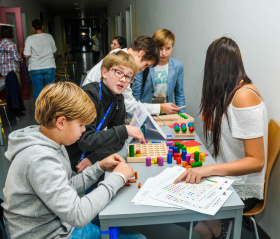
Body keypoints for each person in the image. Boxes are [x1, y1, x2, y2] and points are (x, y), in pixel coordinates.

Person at [2, 81, 146, 239]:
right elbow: (78, 215)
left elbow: (66, 186)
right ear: (61, 122)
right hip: (51, 234)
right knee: (138, 237)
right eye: (81, 124)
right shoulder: (40, 160)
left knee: (113, 213)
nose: (84, 130)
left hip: (60, 223)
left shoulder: (50, 139)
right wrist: (117, 178)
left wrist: (99, 166)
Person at [175, 37, 268, 239]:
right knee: (178, 185)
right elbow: (230, 138)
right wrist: (211, 123)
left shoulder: (243, 96)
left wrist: (208, 169)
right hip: (227, 175)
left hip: (243, 188)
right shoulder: (231, 92)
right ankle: (208, 229)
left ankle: (215, 228)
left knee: (178, 198)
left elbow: (257, 161)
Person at [67, 51, 146, 173]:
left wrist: (94, 158)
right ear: (104, 72)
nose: (123, 79)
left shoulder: (118, 99)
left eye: (129, 76)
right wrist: (124, 130)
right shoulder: (89, 95)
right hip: (68, 157)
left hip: (89, 155)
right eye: (118, 72)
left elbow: (118, 141)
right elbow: (85, 140)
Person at [83, 35, 180, 116]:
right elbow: (130, 105)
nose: (142, 69)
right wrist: (160, 107)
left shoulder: (120, 55)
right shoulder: (122, 63)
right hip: (90, 112)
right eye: (145, 65)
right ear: (141, 53)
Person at [132, 29, 186, 113]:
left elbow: (179, 94)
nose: (164, 53)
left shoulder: (178, 66)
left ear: (173, 47)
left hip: (167, 113)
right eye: (160, 49)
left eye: (168, 48)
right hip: (146, 112)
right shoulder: (144, 65)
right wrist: (131, 120)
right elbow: (135, 95)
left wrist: (183, 117)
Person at [24, 19, 57, 103]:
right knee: (50, 90)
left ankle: (39, 112)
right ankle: (50, 110)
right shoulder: (49, 36)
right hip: (49, 66)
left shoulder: (29, 39)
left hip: (35, 68)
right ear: (42, 27)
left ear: (33, 28)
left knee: (38, 90)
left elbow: (26, 55)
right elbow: (54, 51)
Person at [0, 26, 26, 118]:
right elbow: (16, 58)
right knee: (15, 92)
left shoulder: (0, 44)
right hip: (11, 71)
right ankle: (15, 113)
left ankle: (13, 112)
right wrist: (20, 52)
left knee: (9, 93)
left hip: (3, 72)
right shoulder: (11, 44)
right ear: (10, 33)